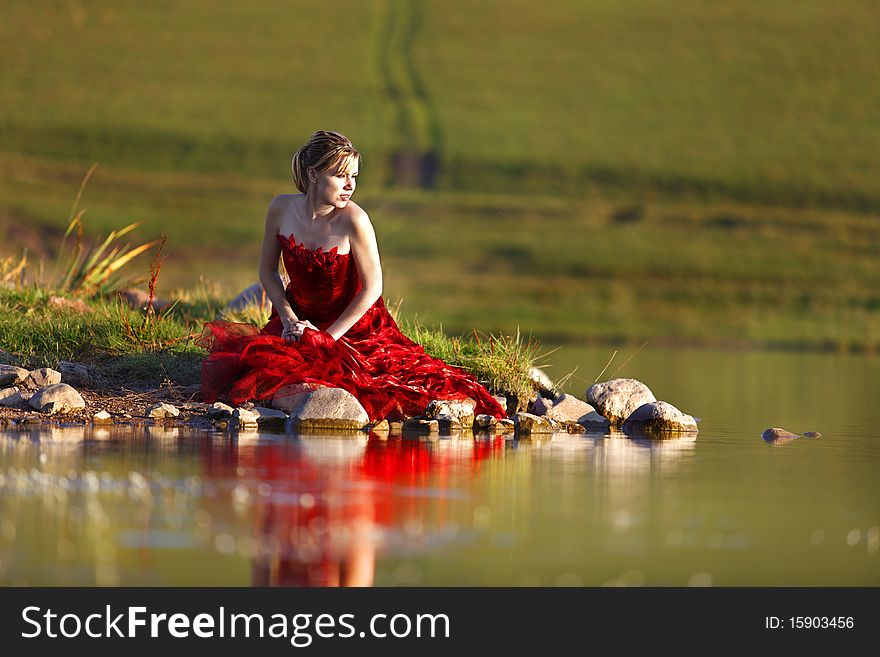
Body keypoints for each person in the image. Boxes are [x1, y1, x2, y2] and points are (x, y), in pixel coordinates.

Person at [200, 130, 506, 422]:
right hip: (297, 318)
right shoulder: (280, 208)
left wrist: (328, 338)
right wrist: (290, 318)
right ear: (313, 175)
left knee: (387, 383)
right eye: (340, 175)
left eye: (354, 177)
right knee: (257, 365)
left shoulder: (355, 220)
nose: (350, 185)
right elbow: (267, 270)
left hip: (355, 328)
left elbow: (373, 287)